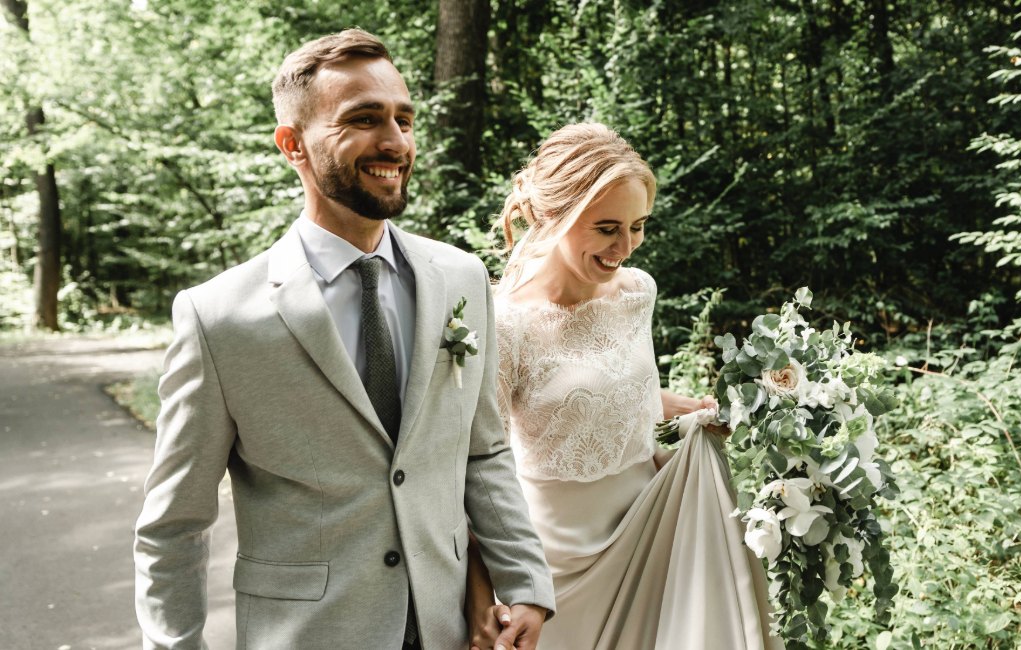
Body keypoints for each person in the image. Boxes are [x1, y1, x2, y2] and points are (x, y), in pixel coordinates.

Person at [133, 29, 554, 650]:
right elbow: (175, 525)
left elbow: (483, 452)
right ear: (292, 145)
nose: (395, 141)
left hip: (448, 630)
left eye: (404, 119)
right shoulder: (217, 317)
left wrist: (524, 585)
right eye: (364, 119)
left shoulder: (462, 279)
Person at [473, 123, 782, 650]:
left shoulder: (638, 292)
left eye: (638, 226)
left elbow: (615, 392)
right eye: (607, 227)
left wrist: (693, 413)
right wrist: (484, 594)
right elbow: (482, 467)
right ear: (553, 217)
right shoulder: (503, 323)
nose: (626, 246)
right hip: (557, 564)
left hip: (653, 529)